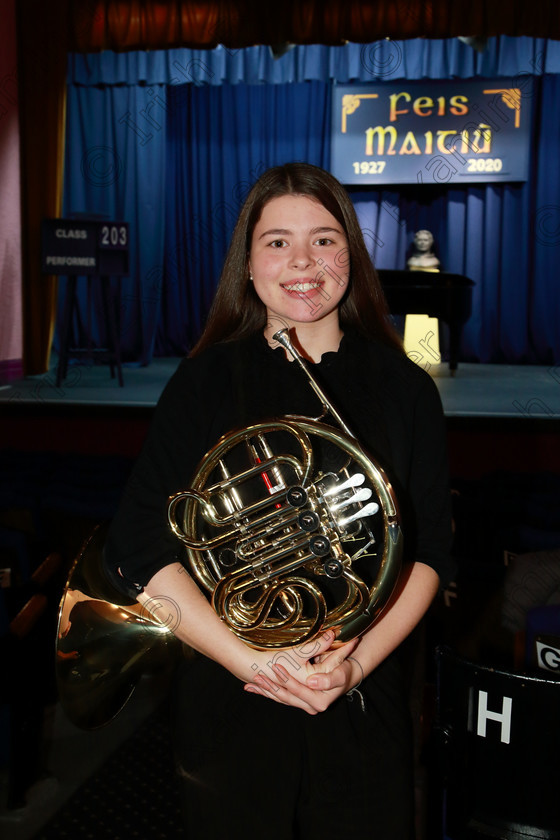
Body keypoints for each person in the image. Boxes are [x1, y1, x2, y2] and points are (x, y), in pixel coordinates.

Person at [104, 163, 454, 839]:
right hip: (232, 694)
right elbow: (140, 552)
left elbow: (431, 553)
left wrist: (352, 666)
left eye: (324, 240)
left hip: (362, 693)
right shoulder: (201, 383)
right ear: (249, 260)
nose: (303, 261)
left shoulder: (406, 390)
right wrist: (255, 663)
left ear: (350, 253)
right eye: (277, 242)